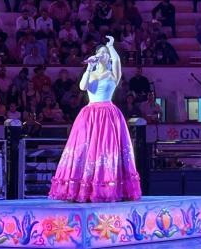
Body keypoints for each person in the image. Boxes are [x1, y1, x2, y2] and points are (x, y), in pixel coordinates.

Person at [49, 36, 141, 202]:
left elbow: (117, 62)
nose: (103, 55)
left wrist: (111, 47)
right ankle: (82, 188)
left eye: (105, 53)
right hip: (90, 115)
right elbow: (82, 87)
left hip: (108, 114)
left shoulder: (113, 74)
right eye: (101, 53)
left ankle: (107, 187)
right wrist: (89, 68)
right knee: (86, 150)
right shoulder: (90, 73)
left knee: (106, 149)